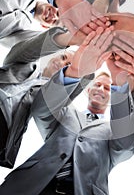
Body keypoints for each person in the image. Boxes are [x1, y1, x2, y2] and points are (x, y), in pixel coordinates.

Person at [0, 27, 134, 195]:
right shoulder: (66, 114)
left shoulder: (113, 132)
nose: (102, 89)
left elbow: (128, 144)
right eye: (98, 84)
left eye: (107, 87)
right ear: (87, 88)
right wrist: (76, 69)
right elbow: (42, 110)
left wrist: (119, 80)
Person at [0, 22, 87, 168]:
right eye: (64, 57)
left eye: (69, 65)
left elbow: (73, 88)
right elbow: (28, 49)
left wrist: (85, 62)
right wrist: (70, 39)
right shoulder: (22, 63)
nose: (63, 63)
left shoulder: (52, 96)